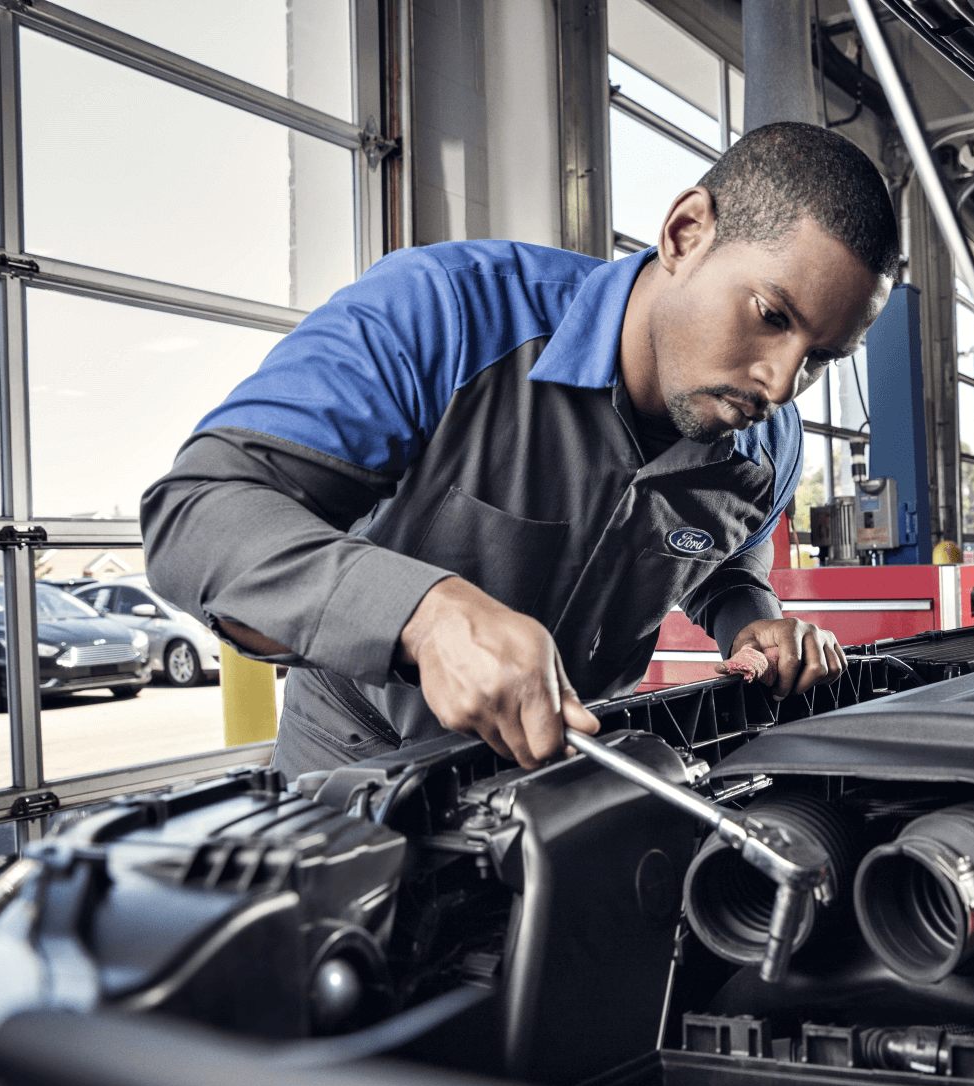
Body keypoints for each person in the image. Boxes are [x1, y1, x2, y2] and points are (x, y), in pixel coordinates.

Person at [142, 122, 900, 775]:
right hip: (359, 760)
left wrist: (751, 619)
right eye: (771, 314)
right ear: (685, 234)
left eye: (821, 357)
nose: (780, 380)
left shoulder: (768, 444)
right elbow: (197, 511)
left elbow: (724, 559)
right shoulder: (443, 314)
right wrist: (424, 615)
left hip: (570, 767)